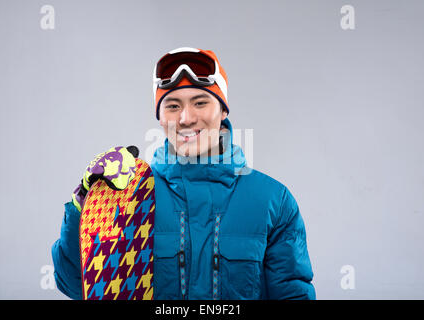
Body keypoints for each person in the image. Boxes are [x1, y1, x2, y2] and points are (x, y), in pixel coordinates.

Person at [52, 47, 316, 300]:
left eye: (200, 102)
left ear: (223, 110)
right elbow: (77, 286)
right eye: (173, 106)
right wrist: (83, 207)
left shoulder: (272, 200)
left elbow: (293, 294)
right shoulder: (130, 195)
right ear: (160, 117)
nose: (186, 118)